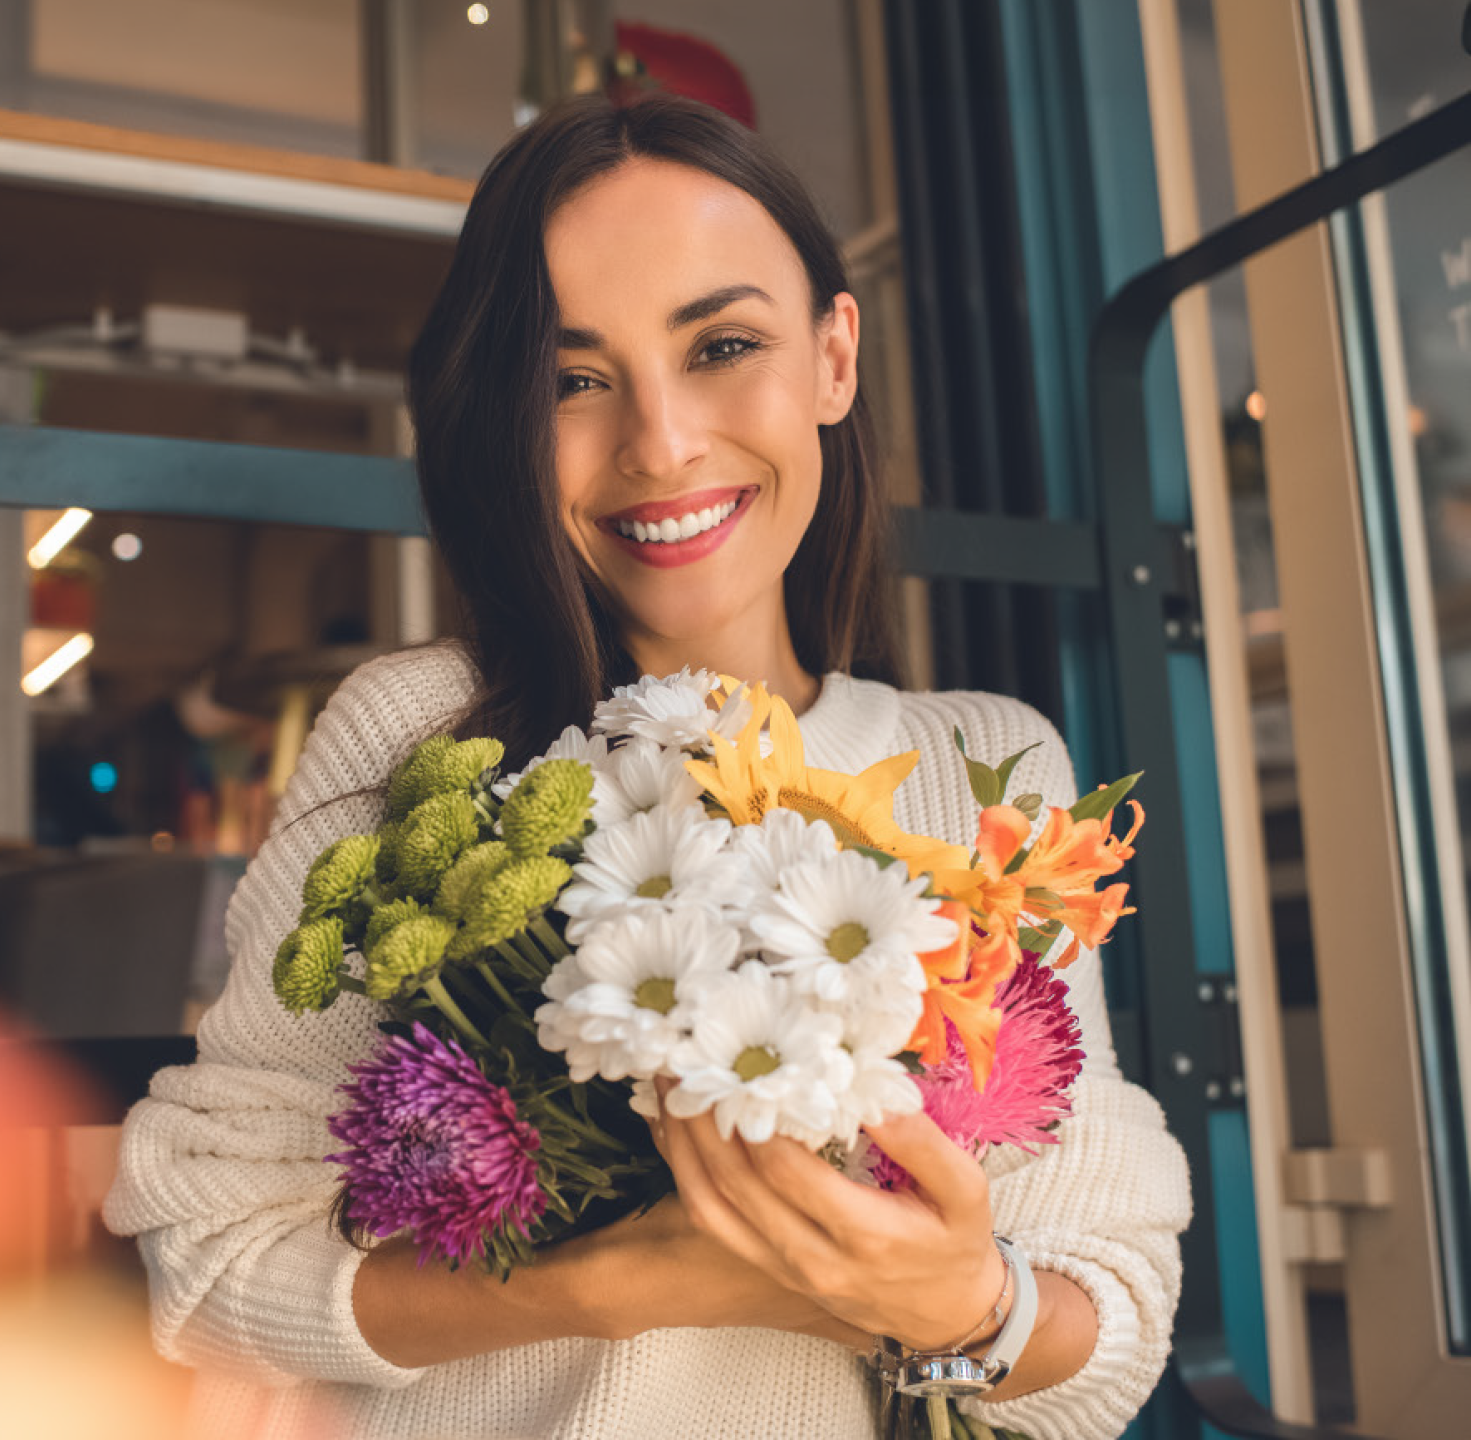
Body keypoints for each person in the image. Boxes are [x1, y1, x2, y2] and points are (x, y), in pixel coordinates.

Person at [105, 93, 1191, 1440]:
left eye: (724, 346)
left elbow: (1112, 1328)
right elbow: (208, 1259)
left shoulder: (978, 765)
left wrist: (966, 1305)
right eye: (572, 378)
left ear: (834, 359)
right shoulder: (420, 736)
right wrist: (595, 1292)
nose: (660, 445)